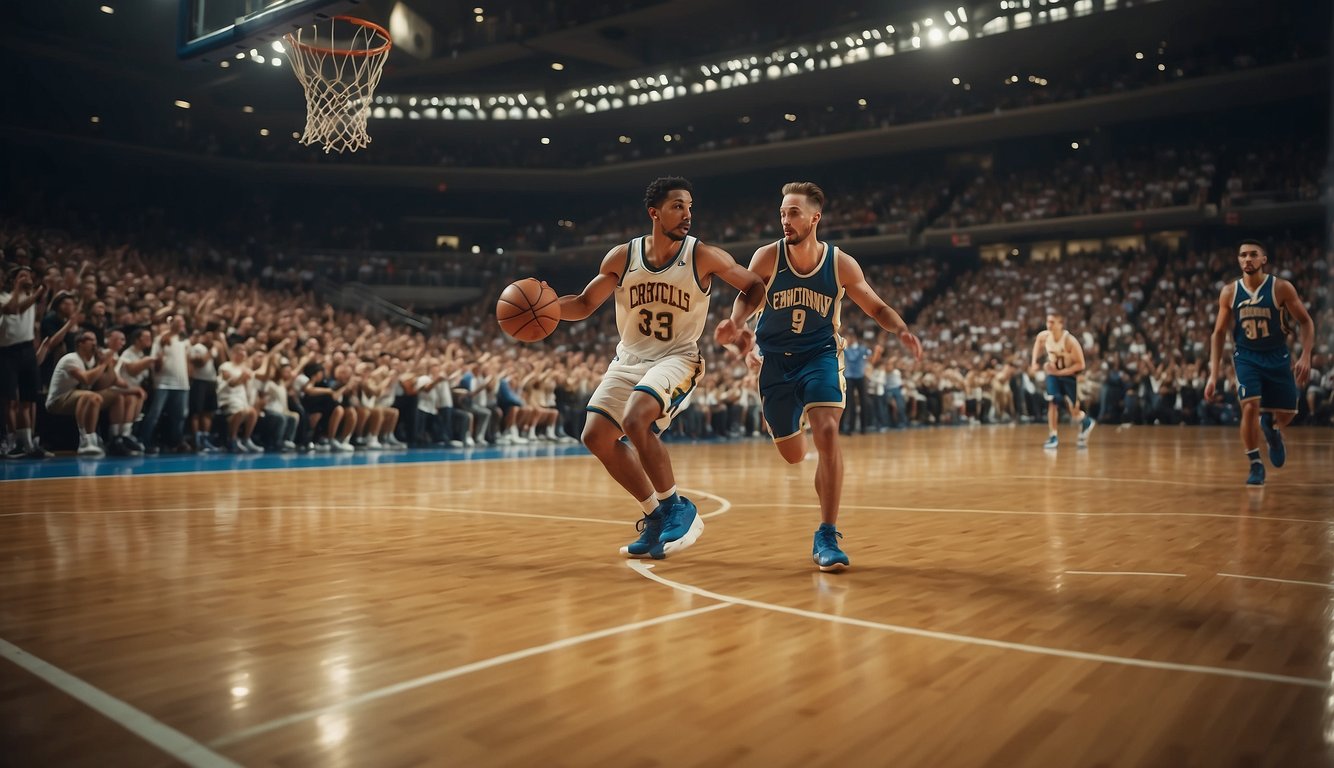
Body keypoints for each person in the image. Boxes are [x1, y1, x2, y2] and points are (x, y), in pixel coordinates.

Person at [554, 176, 765, 559]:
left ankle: (677, 506)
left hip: (678, 358)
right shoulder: (622, 256)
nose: (687, 214)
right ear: (654, 212)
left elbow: (753, 285)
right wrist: (548, 308)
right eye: (677, 207)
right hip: (629, 358)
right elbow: (585, 304)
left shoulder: (701, 255)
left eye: (689, 207)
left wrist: (738, 323)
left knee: (636, 419)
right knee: (596, 436)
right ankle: (654, 515)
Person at [721, 181, 922, 572]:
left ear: (815, 217)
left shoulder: (839, 263)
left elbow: (876, 306)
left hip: (821, 355)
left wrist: (901, 330)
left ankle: (827, 532)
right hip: (775, 362)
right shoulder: (767, 256)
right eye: (782, 213)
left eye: (793, 212)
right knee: (793, 455)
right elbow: (748, 293)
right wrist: (735, 324)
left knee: (828, 431)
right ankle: (788, 423)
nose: (786, 220)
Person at [1204, 239, 1315, 486]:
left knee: (1287, 414)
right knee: (1250, 406)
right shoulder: (1230, 292)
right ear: (1238, 260)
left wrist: (1306, 355)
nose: (1247, 259)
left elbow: (1306, 322)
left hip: (1277, 356)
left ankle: (1272, 429)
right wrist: (1213, 374)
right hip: (1247, 357)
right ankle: (1255, 463)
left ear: (1264, 259)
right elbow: (1219, 333)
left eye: (1253, 254)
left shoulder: (1281, 288)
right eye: (1243, 255)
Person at [1029, 313, 1095, 449]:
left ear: (1061, 324)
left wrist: (1060, 372)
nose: (1049, 324)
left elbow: (1081, 365)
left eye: (1053, 322)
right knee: (1052, 402)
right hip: (1053, 375)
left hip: (1069, 376)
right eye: (1048, 321)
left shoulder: (1070, 341)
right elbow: (1037, 343)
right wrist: (1034, 362)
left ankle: (1086, 421)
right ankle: (1053, 436)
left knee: (1074, 412)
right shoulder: (1044, 336)